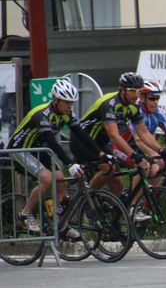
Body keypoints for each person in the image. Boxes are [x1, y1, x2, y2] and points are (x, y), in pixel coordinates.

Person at [8, 77, 103, 234]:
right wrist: (70, 164)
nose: (69, 106)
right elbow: (53, 143)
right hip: (20, 149)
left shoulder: (67, 114)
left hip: (39, 149)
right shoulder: (42, 115)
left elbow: (82, 135)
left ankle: (60, 224)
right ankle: (24, 215)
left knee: (61, 180)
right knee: (47, 178)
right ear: (55, 100)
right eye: (66, 102)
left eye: (71, 103)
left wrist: (101, 153)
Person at [71, 72, 157, 196]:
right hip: (82, 141)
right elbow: (114, 136)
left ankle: (116, 208)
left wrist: (161, 150)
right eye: (132, 91)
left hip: (101, 143)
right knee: (109, 168)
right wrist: (134, 155)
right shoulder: (109, 104)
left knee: (118, 183)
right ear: (122, 90)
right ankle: (86, 199)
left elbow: (143, 133)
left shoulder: (133, 107)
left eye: (138, 91)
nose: (136, 95)